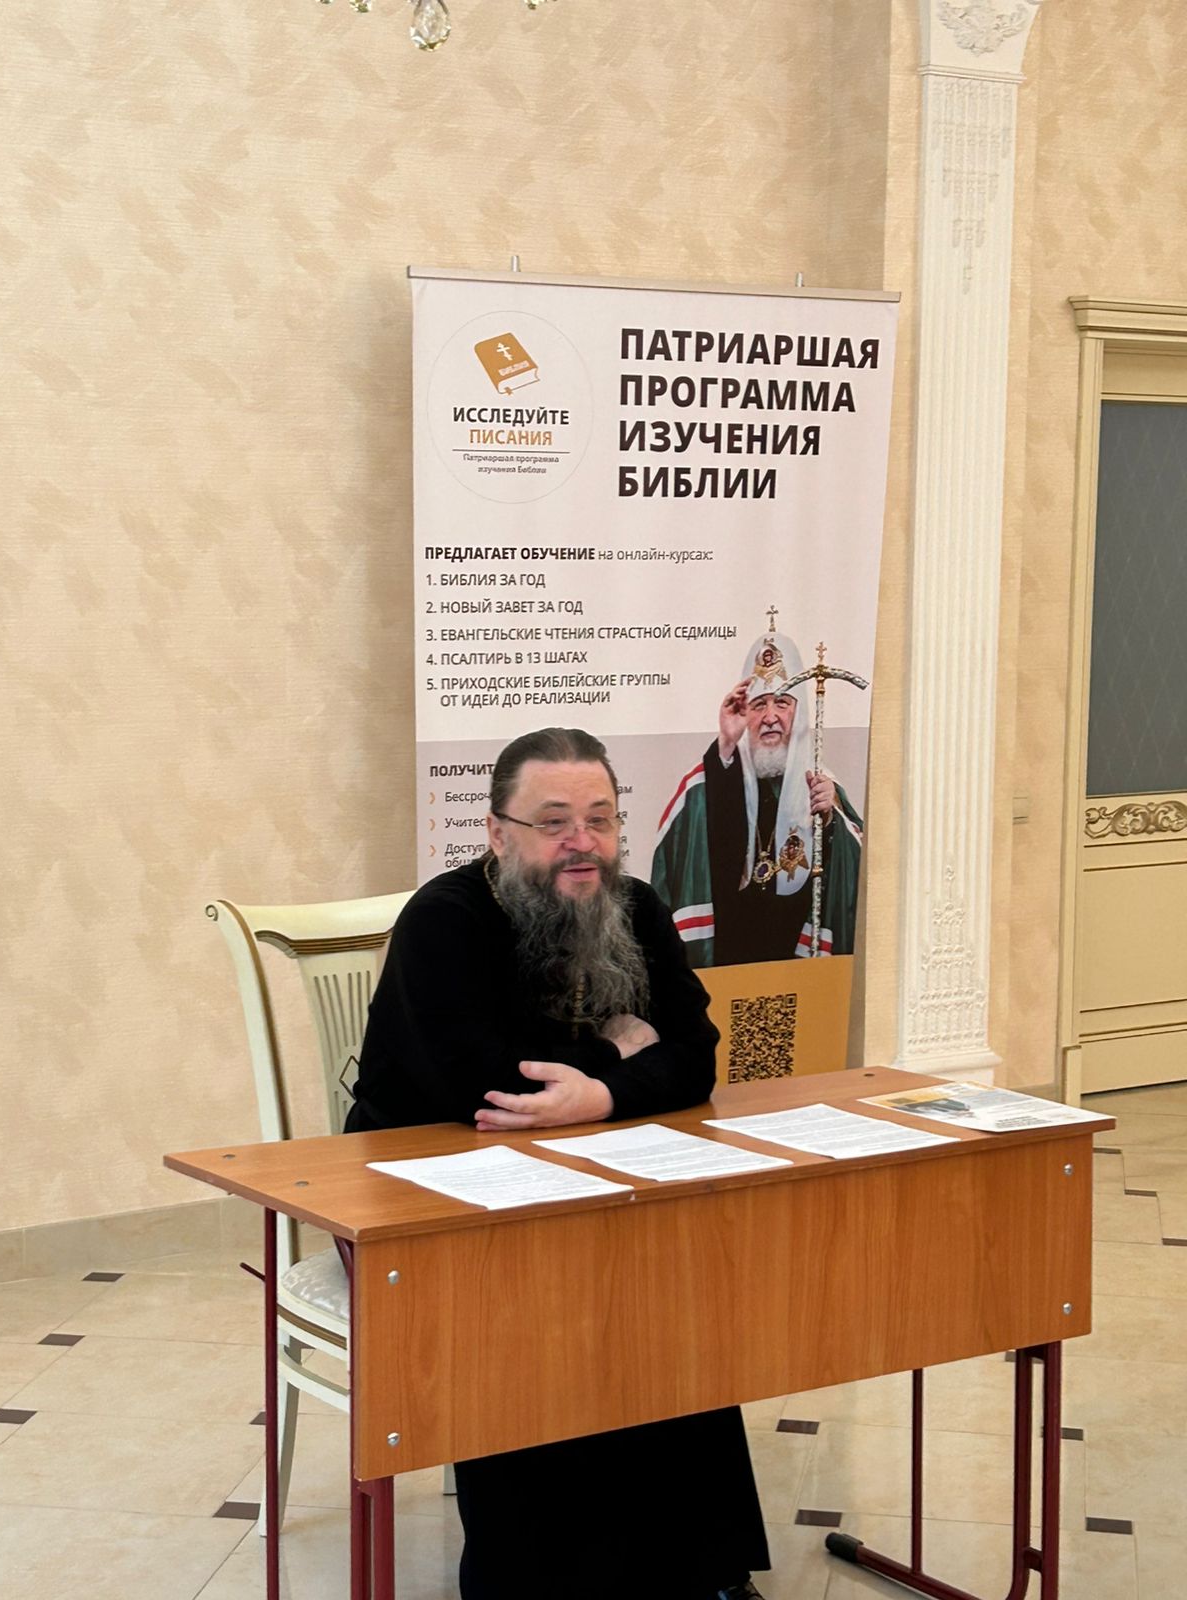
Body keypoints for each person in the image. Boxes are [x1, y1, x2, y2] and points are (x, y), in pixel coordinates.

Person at [346, 726, 769, 1600]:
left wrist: (599, 1094)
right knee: (531, 1309)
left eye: (600, 819)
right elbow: (482, 1087)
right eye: (554, 822)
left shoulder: (636, 907)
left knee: (681, 1293)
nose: (583, 843)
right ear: (498, 834)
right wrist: (618, 1051)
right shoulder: (445, 919)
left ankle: (703, 1575)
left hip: (587, 1184)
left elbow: (696, 1055)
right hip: (423, 1202)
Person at [652, 624, 863, 969]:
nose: (770, 717)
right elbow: (693, 849)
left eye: (782, 703)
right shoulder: (713, 777)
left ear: (799, 713)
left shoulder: (821, 786)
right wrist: (726, 743)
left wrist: (831, 820)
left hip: (794, 961)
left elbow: (855, 871)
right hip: (729, 963)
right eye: (759, 704)